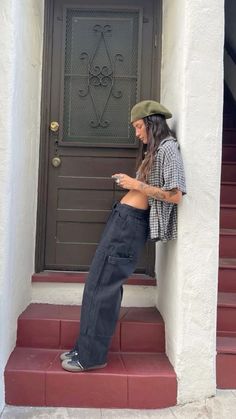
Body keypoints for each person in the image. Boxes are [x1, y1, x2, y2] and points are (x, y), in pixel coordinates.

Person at [61, 100, 186, 372]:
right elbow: (146, 189)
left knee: (103, 288)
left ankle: (91, 357)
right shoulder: (155, 150)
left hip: (130, 227)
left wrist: (135, 184)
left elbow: (176, 195)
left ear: (152, 123)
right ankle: (84, 347)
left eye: (139, 126)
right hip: (122, 220)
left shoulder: (168, 149)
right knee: (96, 284)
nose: (137, 133)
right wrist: (133, 184)